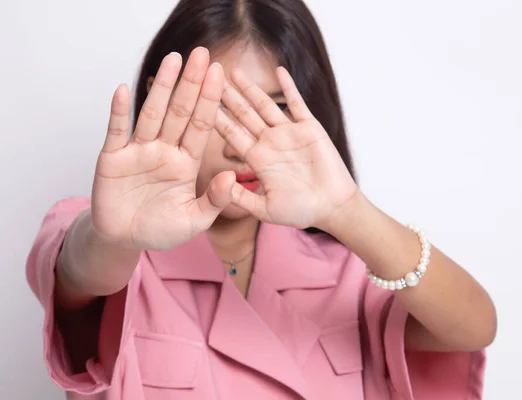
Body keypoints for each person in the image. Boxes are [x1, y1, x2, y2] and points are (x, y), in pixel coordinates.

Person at [26, 0, 497, 398]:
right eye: (219, 108)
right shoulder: (106, 238)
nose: (240, 144)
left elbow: (474, 328)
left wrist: (346, 212)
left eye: (273, 109)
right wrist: (113, 239)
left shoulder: (348, 273)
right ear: (166, 99)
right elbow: (80, 272)